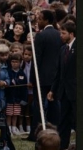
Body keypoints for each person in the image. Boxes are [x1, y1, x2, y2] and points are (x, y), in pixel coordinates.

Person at [26, 9, 63, 142]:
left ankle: (36, 134)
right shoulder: (59, 35)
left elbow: (36, 59)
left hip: (41, 76)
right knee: (54, 105)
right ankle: (55, 131)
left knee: (38, 105)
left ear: (47, 20)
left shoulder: (41, 36)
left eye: (40, 19)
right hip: (55, 77)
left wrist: (32, 78)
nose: (38, 21)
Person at [47, 22, 76, 150]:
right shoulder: (63, 49)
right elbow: (58, 72)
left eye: (63, 33)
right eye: (60, 32)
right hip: (64, 93)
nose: (60, 35)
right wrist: (53, 90)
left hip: (76, 93)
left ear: (71, 34)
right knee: (63, 122)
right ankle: (62, 146)